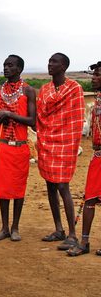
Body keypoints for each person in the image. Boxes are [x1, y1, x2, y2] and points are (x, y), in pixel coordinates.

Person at [37, 53, 84, 250]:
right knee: (50, 186)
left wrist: (66, 140)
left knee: (63, 186)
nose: (50, 64)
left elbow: (76, 119)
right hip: (47, 141)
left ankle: (72, 235)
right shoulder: (44, 89)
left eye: (54, 62)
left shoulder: (74, 88)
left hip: (65, 143)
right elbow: (40, 115)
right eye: (48, 61)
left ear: (63, 66)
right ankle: (59, 229)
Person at [0, 55, 36, 241]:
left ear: (19, 69)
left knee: (18, 188)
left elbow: (32, 121)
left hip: (19, 147)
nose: (6, 68)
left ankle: (15, 227)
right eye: (4, 65)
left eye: (10, 65)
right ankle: (4, 227)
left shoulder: (28, 91)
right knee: (2, 188)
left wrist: (9, 113)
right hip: (1, 147)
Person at [67, 61, 101, 256]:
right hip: (97, 157)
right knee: (89, 198)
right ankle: (85, 242)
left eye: (97, 75)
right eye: (93, 75)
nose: (94, 78)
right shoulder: (97, 99)